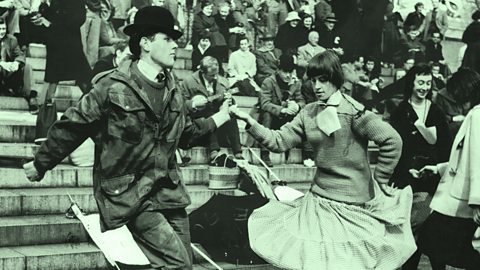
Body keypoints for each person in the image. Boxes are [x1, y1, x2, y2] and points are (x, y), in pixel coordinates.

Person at [23, 6, 232, 270]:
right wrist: (41, 163)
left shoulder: (173, 88)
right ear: (145, 43)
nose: (174, 46)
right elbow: (73, 125)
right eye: (166, 39)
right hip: (132, 194)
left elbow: (185, 135)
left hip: (168, 192)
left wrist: (221, 118)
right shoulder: (112, 85)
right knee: (178, 264)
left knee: (183, 265)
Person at [229, 50, 416, 269]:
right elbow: (278, 141)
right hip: (319, 201)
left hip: (353, 204)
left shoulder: (354, 112)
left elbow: (392, 140)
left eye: (323, 80)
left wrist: (381, 178)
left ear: (335, 80)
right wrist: (248, 121)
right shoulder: (308, 112)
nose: (317, 86)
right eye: (313, 80)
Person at [389, 63, 451, 270]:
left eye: (428, 83)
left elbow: (446, 146)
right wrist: (406, 169)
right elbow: (395, 146)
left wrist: (437, 167)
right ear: (411, 83)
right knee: (412, 232)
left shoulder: (436, 111)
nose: (424, 87)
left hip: (433, 179)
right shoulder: (401, 112)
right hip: (406, 178)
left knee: (432, 233)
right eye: (420, 82)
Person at [416, 67, 480, 270]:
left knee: (432, 241)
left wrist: (477, 201)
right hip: (463, 199)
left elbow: (476, 159)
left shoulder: (476, 116)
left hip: (464, 200)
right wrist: (438, 169)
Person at [180, 56, 243, 165]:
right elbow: (181, 104)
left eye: (216, 74)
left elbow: (228, 100)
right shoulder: (188, 82)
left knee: (230, 115)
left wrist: (228, 100)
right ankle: (214, 150)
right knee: (210, 115)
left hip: (219, 119)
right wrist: (194, 104)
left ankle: (237, 150)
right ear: (202, 72)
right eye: (211, 75)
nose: (215, 77)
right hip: (199, 122)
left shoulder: (222, 81)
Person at [258, 54, 304, 167]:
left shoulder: (296, 83)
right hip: (272, 119)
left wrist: (297, 106)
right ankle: (264, 153)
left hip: (286, 120)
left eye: (291, 72)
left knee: (304, 114)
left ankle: (307, 153)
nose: (288, 75)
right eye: (285, 72)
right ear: (278, 70)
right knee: (267, 115)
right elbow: (264, 104)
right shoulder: (268, 82)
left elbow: (302, 101)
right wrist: (283, 110)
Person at [0, 17, 37, 114]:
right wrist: (1, 63)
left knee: (27, 67)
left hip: (9, 76)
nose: (2, 32)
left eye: (3, 29)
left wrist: (16, 63)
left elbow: (20, 55)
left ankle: (32, 97)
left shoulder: (11, 39)